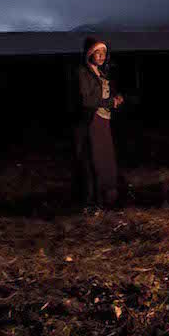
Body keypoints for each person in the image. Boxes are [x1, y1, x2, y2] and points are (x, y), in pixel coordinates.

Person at [74, 36, 123, 208]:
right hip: (92, 120)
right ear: (89, 54)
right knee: (95, 160)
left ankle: (107, 200)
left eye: (104, 52)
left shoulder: (102, 73)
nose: (101, 56)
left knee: (106, 158)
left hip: (104, 119)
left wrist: (115, 98)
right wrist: (110, 102)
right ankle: (93, 201)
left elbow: (103, 94)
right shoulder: (83, 72)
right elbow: (87, 101)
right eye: (97, 52)